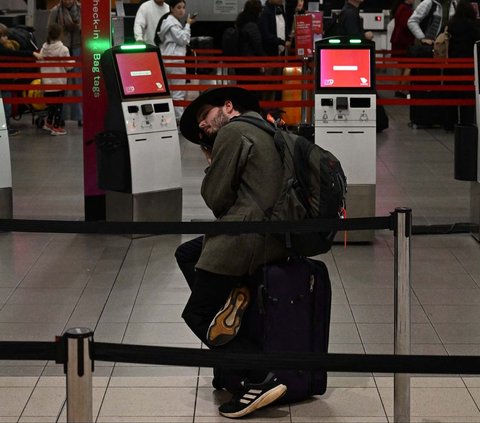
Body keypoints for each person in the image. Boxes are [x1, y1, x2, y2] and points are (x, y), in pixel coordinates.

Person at [177, 86, 290, 418]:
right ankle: (228, 301)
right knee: (187, 253)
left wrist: (211, 163)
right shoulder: (267, 128)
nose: (202, 126)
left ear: (228, 106)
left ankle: (259, 376)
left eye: (205, 116)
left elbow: (215, 198)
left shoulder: (234, 132)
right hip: (272, 236)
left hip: (244, 240)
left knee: (196, 315)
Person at [157, 0, 196, 122]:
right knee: (178, 93)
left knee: (169, 92)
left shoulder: (168, 22)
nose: (182, 10)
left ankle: (170, 120)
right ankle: (179, 121)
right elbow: (183, 39)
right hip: (176, 61)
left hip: (167, 60)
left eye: (183, 7)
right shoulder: (172, 24)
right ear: (171, 8)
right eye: (178, 7)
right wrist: (188, 24)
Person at [0, 23, 42, 136]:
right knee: (6, 106)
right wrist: (32, 53)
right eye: (3, 36)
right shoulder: (3, 49)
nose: (6, 38)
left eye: (5, 36)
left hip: (5, 81)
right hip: (5, 82)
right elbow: (15, 53)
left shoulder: (5, 47)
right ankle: (6, 128)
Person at [444, 0, 480, 125]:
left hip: (452, 64)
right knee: (467, 95)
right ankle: (467, 122)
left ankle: (449, 122)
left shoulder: (451, 24)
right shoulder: (474, 26)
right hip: (468, 64)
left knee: (451, 93)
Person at [48, 0, 82, 126]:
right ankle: (60, 117)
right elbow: (50, 30)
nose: (68, 1)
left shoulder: (81, 9)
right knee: (62, 84)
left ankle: (80, 117)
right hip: (61, 49)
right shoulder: (55, 11)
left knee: (78, 84)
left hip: (78, 47)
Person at [40, 23, 72, 136]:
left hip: (47, 82)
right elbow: (68, 66)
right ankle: (56, 127)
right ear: (60, 35)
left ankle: (48, 123)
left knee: (51, 105)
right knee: (58, 106)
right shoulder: (63, 49)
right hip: (58, 82)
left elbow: (39, 61)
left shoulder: (44, 47)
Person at [259, 0, 291, 100]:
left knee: (276, 84)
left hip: (279, 54)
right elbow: (265, 35)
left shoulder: (281, 10)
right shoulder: (265, 13)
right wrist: (281, 42)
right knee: (268, 85)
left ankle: (272, 110)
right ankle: (264, 110)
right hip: (269, 54)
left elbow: (284, 29)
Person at [235, 0, 266, 79]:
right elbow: (257, 45)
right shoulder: (252, 26)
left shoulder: (241, 22)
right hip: (251, 63)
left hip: (240, 62)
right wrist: (265, 59)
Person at [390, 0, 415, 97]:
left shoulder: (400, 7)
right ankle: (402, 90)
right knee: (408, 66)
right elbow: (407, 24)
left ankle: (398, 89)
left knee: (400, 66)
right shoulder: (406, 9)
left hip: (398, 40)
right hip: (404, 40)